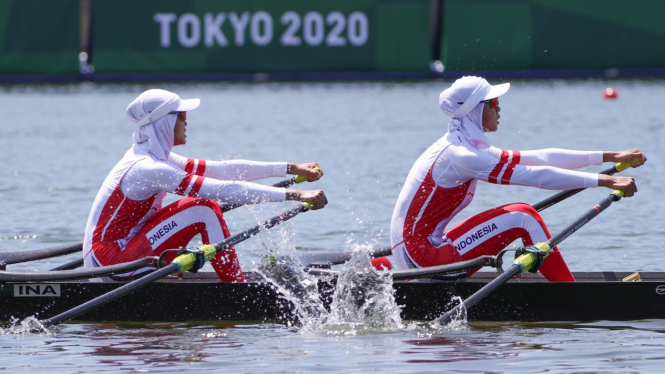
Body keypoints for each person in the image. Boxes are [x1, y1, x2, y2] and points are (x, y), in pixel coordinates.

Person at [390, 76, 646, 282]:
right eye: (493, 102)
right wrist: (606, 181)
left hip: (415, 254)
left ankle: (560, 284)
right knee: (523, 216)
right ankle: (571, 293)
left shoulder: (465, 145)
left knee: (519, 213)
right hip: (421, 259)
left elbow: (540, 158)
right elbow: (535, 176)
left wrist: (610, 155)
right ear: (476, 110)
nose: (498, 107)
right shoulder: (461, 155)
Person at [82, 89, 328, 282]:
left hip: (116, 253)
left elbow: (224, 171)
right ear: (164, 123)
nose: (186, 122)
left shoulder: (158, 157)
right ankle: (234, 291)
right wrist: (295, 194)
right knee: (204, 208)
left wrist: (291, 168)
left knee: (200, 207)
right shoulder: (148, 168)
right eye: (182, 116)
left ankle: (221, 280)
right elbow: (224, 190)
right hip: (111, 265)